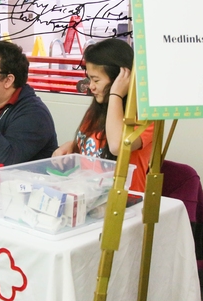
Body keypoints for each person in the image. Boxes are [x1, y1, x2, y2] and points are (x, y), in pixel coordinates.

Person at [52, 38, 154, 192]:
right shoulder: (98, 108)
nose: (91, 86)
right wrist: (71, 146)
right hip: (91, 196)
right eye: (90, 79)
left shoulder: (145, 116)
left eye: (96, 80)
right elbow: (95, 145)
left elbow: (116, 146)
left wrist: (116, 94)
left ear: (120, 78)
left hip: (124, 202)